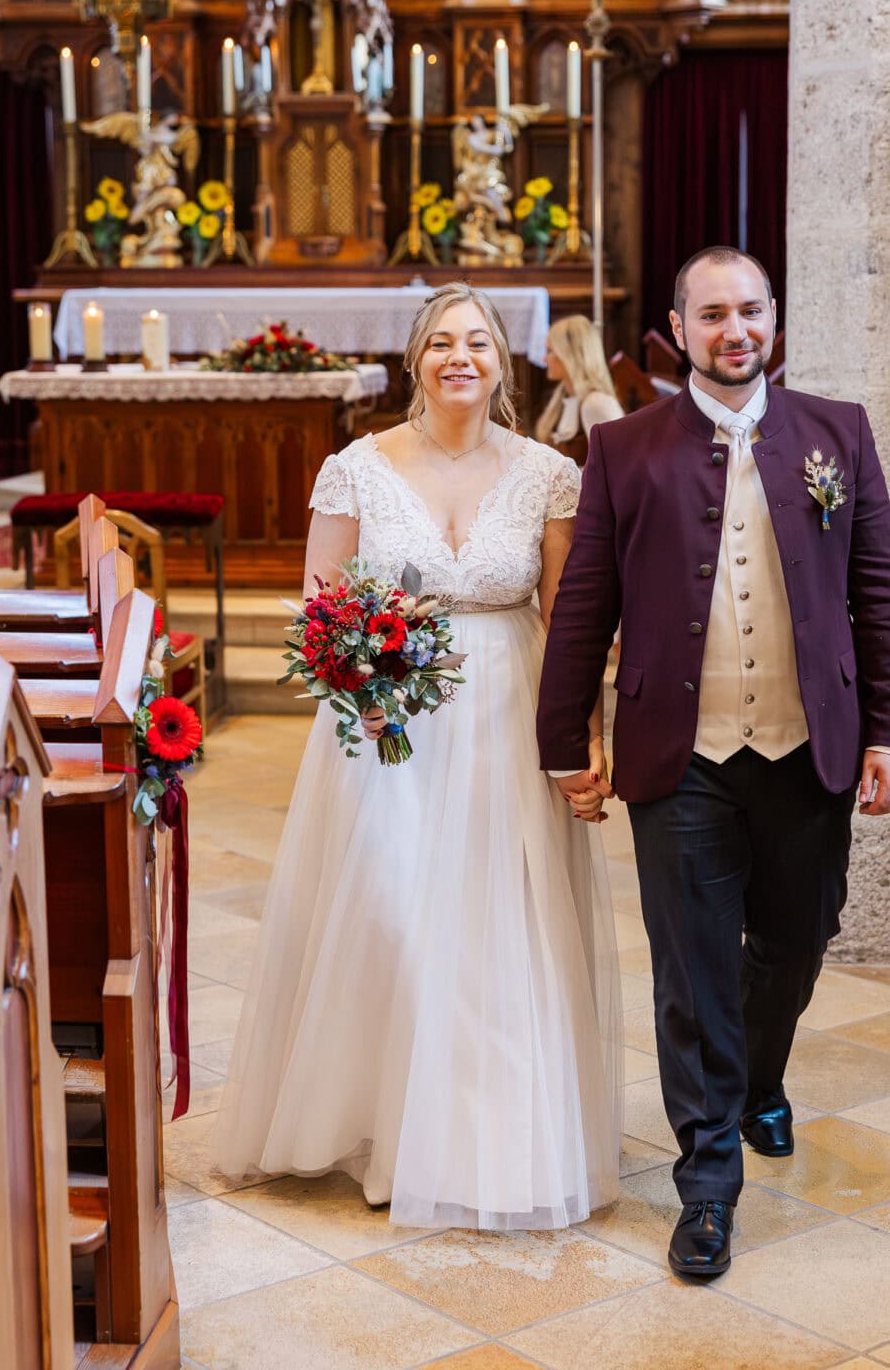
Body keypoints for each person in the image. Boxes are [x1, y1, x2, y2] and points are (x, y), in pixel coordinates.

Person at [537, 246, 890, 1279]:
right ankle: (707, 1182)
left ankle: (757, 1078)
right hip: (681, 752)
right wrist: (564, 738)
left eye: (749, 310)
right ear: (678, 329)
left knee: (797, 939)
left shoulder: (837, 432)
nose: (734, 330)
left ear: (773, 317)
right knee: (691, 966)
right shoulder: (623, 448)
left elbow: (881, 588)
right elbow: (585, 604)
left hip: (807, 745)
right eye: (711, 315)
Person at [214, 282, 622, 1230]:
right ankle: (391, 1128)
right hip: (389, 720)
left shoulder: (548, 474)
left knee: (500, 921)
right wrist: (359, 680)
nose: (459, 358)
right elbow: (321, 610)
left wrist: (583, 734)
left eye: (477, 341)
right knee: (394, 916)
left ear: (501, 361)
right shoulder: (355, 469)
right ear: (415, 360)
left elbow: (567, 622)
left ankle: (488, 1137)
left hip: (509, 708)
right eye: (441, 342)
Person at [535, 314, 624, 460]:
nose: (544, 359)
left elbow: (618, 462)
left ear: (569, 354)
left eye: (550, 351)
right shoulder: (564, 397)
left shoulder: (596, 402)